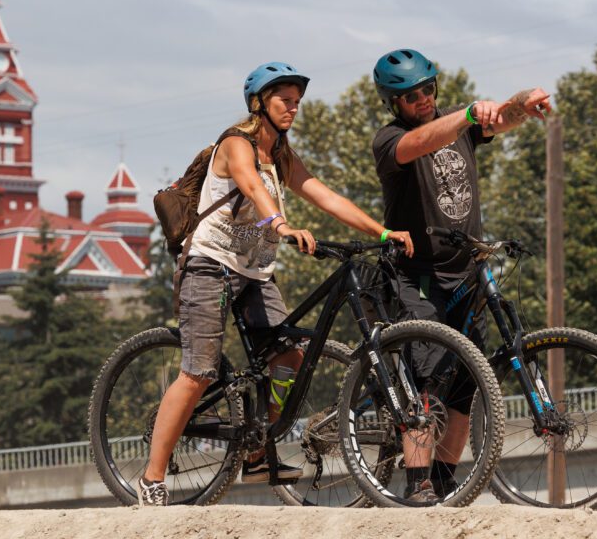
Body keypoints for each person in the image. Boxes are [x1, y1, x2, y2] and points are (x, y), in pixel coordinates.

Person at [138, 62, 415, 506]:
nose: (293, 107)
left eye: (297, 101)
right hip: (210, 264)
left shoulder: (281, 154)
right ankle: (151, 479)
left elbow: (324, 195)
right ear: (259, 103)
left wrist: (381, 233)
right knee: (198, 372)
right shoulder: (236, 143)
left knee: (288, 355)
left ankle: (256, 450)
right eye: (284, 100)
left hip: (254, 273)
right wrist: (281, 225)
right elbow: (250, 185)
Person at [370, 48, 551, 501]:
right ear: (394, 103)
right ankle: (418, 483)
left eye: (428, 89)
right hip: (418, 275)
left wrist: (523, 102)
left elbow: (503, 117)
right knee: (427, 382)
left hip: (466, 271)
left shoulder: (458, 121)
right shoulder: (389, 139)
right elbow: (420, 143)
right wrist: (468, 114)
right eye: (411, 96)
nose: (423, 99)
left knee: (465, 384)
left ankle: (447, 480)